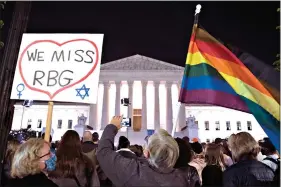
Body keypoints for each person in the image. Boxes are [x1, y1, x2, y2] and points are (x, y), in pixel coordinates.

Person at [97, 116, 199, 187]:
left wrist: (112, 126)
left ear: (147, 153)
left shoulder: (132, 170)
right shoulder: (186, 178)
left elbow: (103, 153)